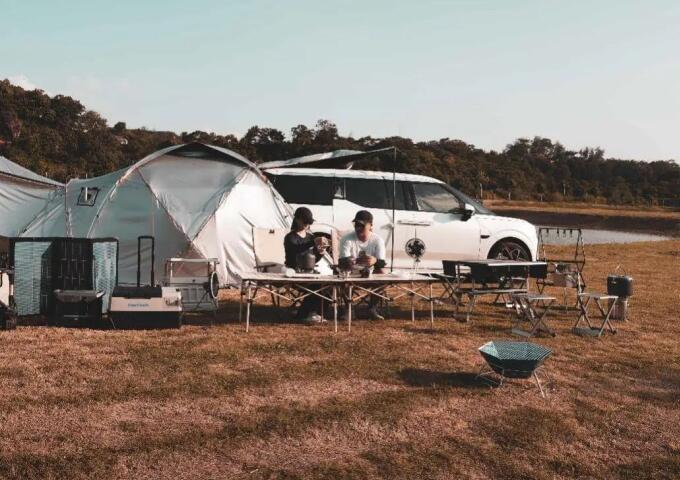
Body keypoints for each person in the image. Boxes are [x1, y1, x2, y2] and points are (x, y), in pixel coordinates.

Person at [339, 210, 387, 320]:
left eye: (362, 225)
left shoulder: (377, 240)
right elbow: (342, 261)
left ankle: (372, 308)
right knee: (342, 273)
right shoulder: (347, 239)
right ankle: (349, 309)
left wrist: (374, 261)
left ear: (371, 226)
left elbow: (382, 263)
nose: (358, 228)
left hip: (371, 275)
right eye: (356, 225)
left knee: (382, 273)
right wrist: (350, 261)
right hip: (351, 274)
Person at [283, 207, 326, 323]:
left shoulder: (310, 237)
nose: (307, 225)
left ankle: (312, 312)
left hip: (309, 272)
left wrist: (321, 253)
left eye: (309, 222)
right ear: (297, 220)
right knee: (316, 286)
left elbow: (313, 259)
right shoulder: (290, 237)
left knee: (327, 285)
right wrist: (313, 242)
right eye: (305, 222)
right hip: (294, 272)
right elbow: (296, 250)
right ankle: (306, 313)